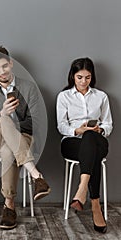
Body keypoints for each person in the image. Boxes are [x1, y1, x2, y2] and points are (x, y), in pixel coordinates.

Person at [0, 46, 50, 230]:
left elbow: (35, 123)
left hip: (24, 138)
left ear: (11, 64)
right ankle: (36, 176)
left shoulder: (29, 88)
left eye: (4, 66)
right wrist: (3, 113)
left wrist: (11, 123)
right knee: (2, 120)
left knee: (8, 150)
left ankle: (9, 205)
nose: (2, 72)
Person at [56, 57, 113, 233]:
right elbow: (61, 126)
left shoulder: (101, 96)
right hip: (72, 142)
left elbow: (108, 124)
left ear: (92, 77)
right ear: (73, 76)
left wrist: (99, 130)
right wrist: (77, 131)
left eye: (87, 77)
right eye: (79, 77)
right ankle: (95, 206)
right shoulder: (64, 96)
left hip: (97, 139)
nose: (83, 81)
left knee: (91, 138)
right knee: (90, 148)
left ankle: (81, 189)